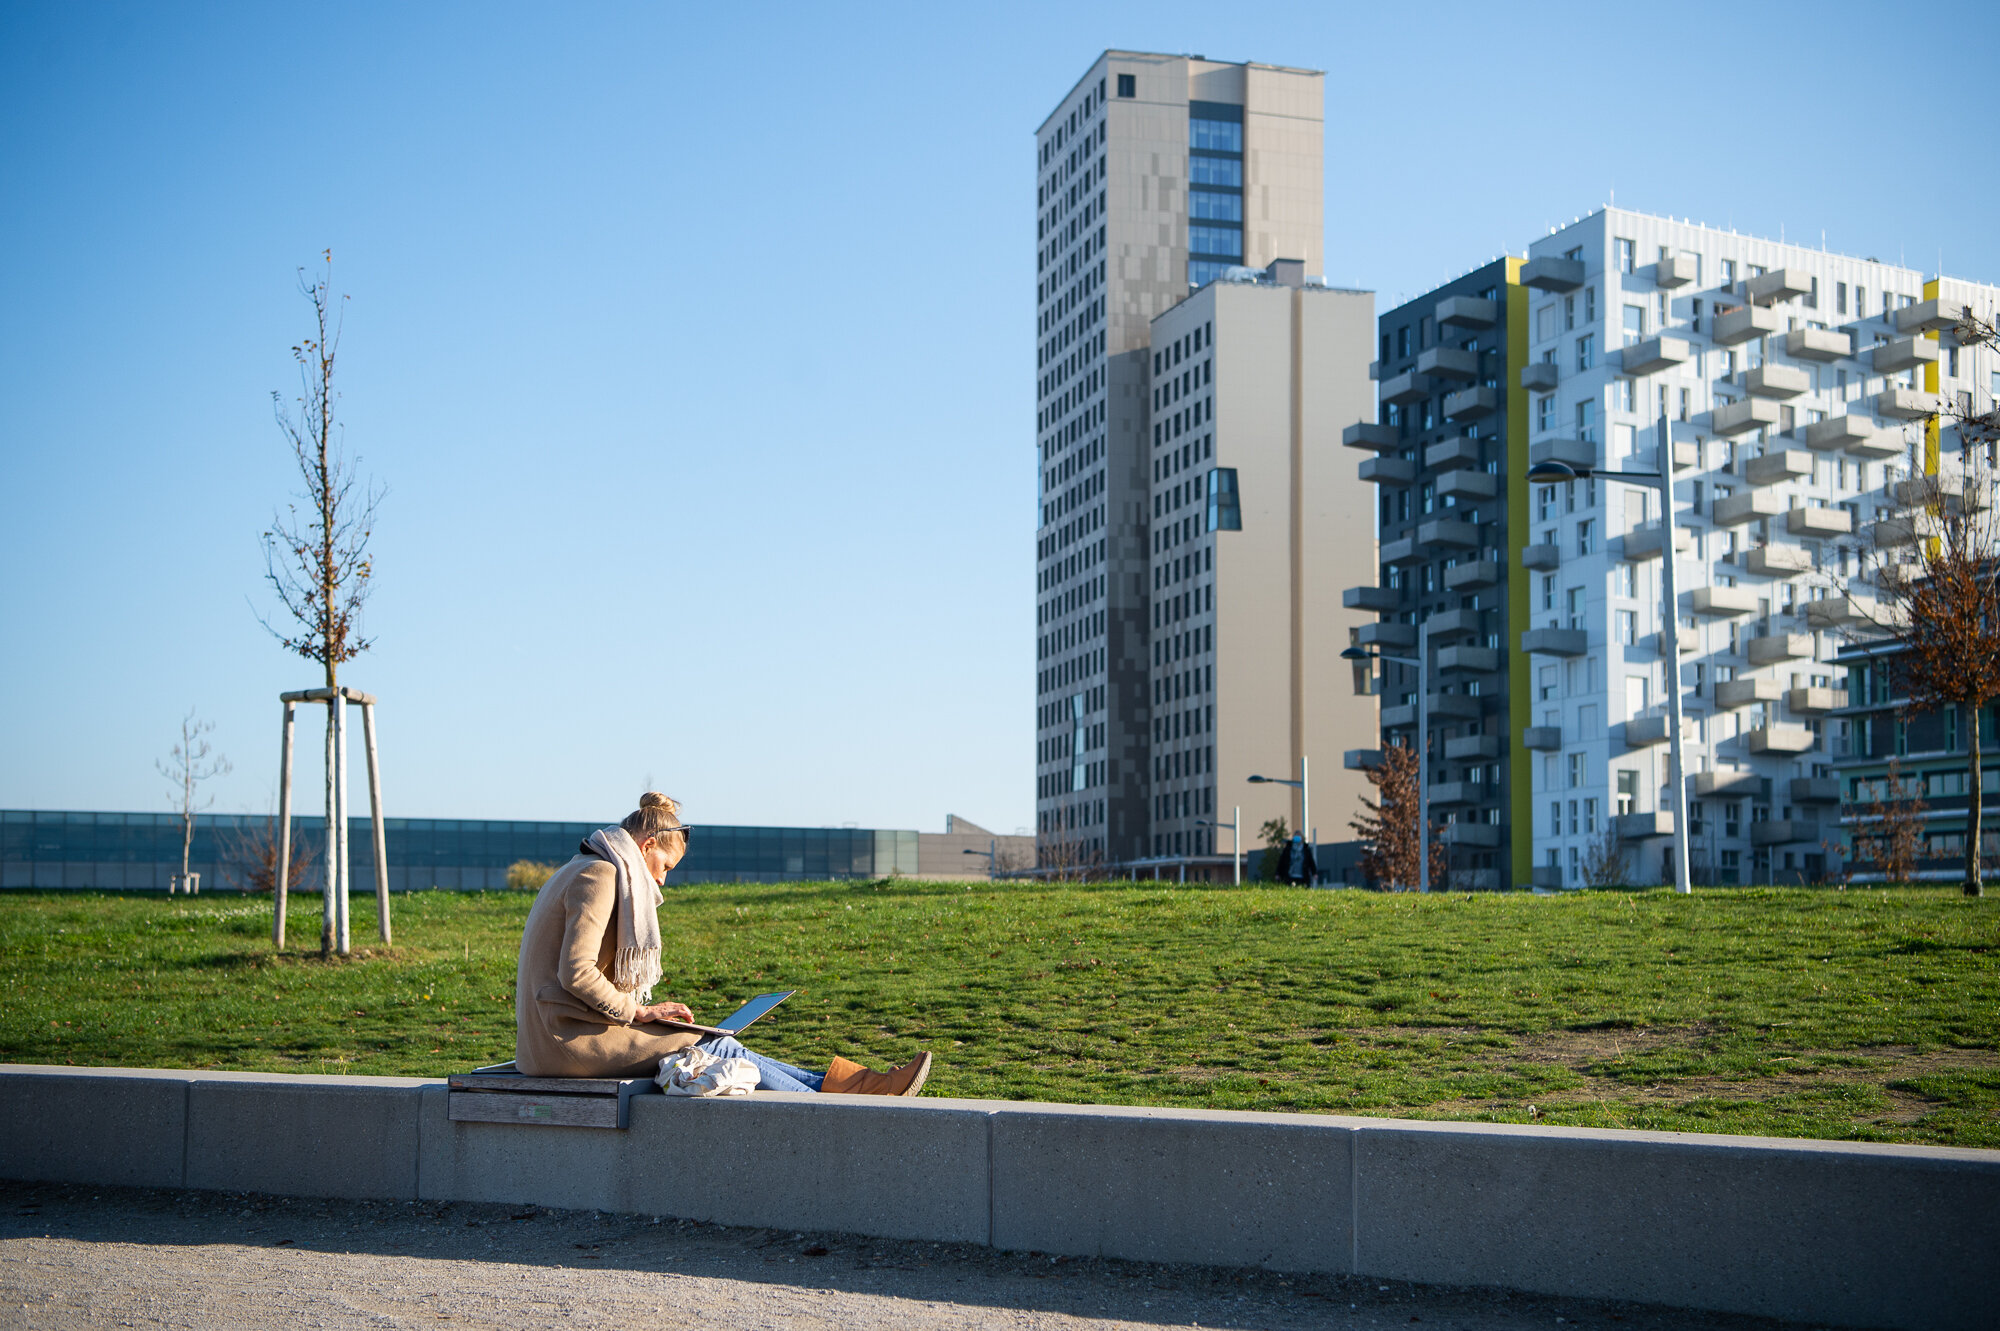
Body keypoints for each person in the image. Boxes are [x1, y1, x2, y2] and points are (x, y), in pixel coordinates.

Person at [515, 792, 930, 1095]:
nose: (661, 880)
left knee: (720, 1042)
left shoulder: (582, 866)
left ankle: (857, 1088)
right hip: (566, 1044)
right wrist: (639, 1011)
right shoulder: (600, 876)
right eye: (663, 867)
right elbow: (577, 972)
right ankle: (844, 1098)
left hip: (566, 1036)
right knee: (717, 1045)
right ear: (647, 846)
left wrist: (643, 1015)